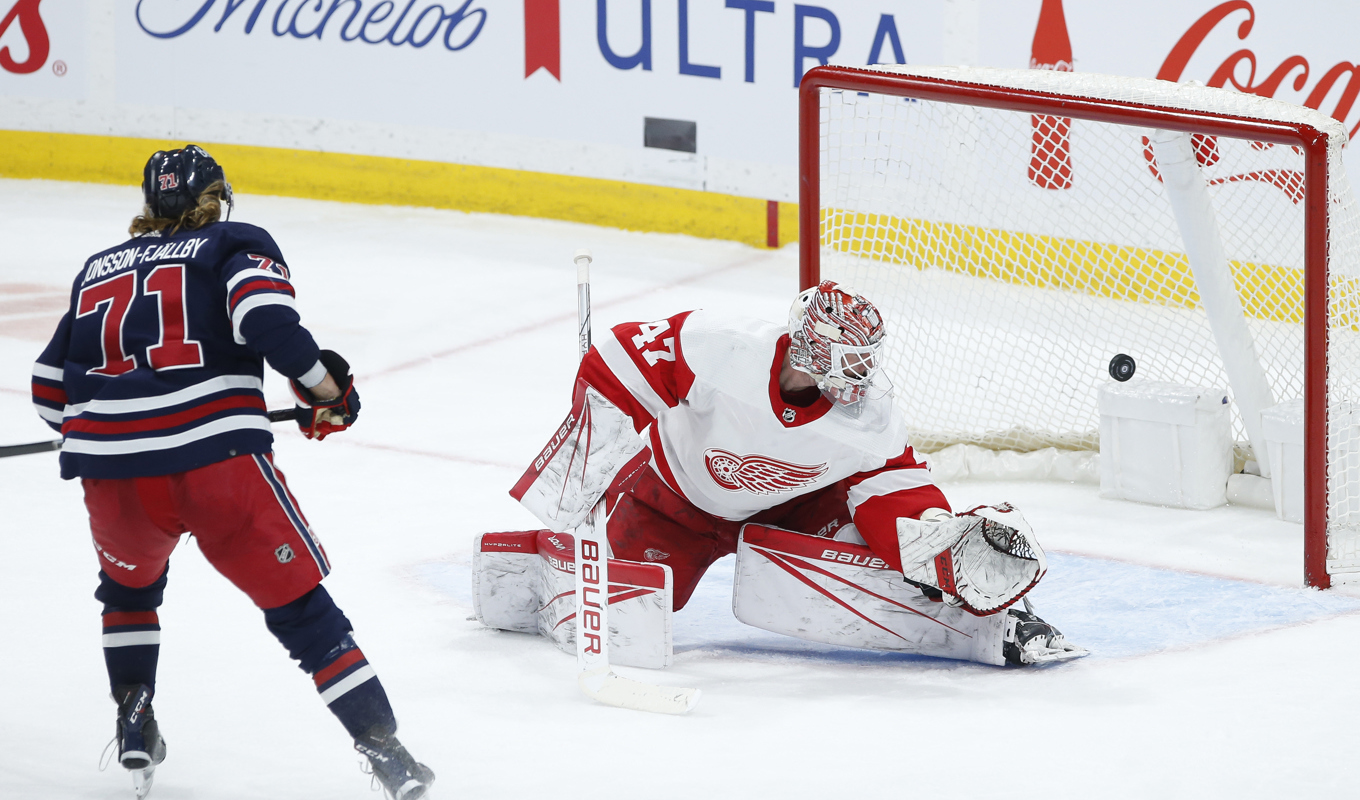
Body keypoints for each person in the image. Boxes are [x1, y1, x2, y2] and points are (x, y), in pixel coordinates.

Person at [29, 146, 433, 800]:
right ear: (218, 196)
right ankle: (385, 751)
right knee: (303, 613)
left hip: (113, 477)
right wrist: (325, 391)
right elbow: (264, 320)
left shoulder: (98, 269)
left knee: (131, 595)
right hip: (217, 464)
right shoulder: (232, 242)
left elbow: (50, 391)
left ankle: (135, 722)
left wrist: (111, 430)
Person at [498, 280, 1085, 666]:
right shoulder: (722, 345)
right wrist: (579, 478)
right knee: (632, 612)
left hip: (792, 507)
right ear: (810, 352)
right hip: (670, 501)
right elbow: (616, 362)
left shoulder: (868, 417)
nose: (862, 373)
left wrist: (934, 544)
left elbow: (892, 488)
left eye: (865, 359)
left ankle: (992, 630)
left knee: (872, 561)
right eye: (850, 359)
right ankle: (537, 573)